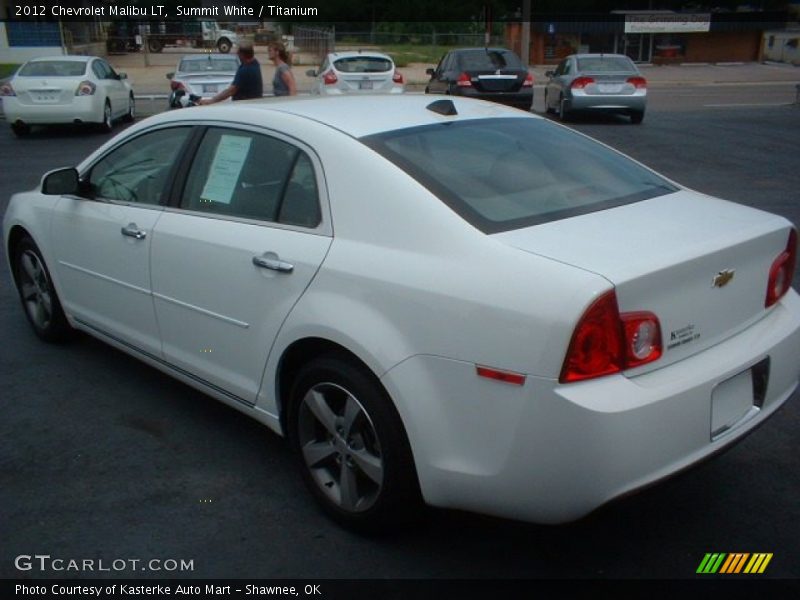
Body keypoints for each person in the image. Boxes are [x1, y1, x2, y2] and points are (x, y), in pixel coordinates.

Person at [199, 40, 263, 104]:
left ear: (242, 54)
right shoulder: (254, 63)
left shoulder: (245, 70)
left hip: (244, 105)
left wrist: (211, 101)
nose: (237, 54)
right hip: (253, 103)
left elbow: (231, 91)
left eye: (238, 52)